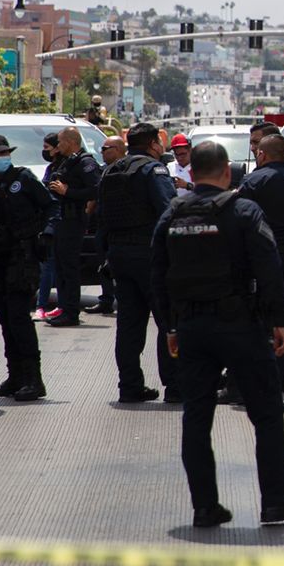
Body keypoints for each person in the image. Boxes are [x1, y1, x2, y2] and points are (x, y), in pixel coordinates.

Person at [150, 140, 284, 529]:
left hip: (192, 328)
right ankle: (275, 502)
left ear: (191, 174)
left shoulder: (173, 214)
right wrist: (280, 321)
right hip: (241, 325)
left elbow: (157, 275)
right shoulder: (243, 211)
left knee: (196, 417)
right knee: (267, 414)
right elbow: (269, 268)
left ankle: (205, 507)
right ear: (227, 172)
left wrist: (169, 326)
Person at [96, 122, 178, 402]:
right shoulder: (153, 170)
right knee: (168, 321)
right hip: (150, 255)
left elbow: (100, 218)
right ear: (154, 143)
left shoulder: (110, 171)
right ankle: (175, 387)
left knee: (129, 325)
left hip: (119, 255)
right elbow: (169, 211)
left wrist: (106, 254)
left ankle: (129, 386)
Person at [0, 135, 51, 402]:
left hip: (22, 258)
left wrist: (36, 235)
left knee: (19, 319)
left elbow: (50, 208)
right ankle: (15, 376)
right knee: (6, 319)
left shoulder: (24, 178)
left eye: (1, 154)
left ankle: (33, 379)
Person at [238, 133, 284, 392]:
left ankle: (254, 378)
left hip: (258, 259)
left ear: (262, 155)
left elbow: (241, 220)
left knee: (255, 317)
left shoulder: (252, 181)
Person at [45, 127, 100, 327]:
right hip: (62, 221)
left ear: (70, 141)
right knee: (60, 267)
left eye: (60, 142)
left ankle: (71, 312)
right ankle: (64, 308)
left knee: (69, 267)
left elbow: (95, 189)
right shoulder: (68, 161)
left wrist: (68, 192)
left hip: (73, 221)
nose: (58, 146)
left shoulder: (86, 162)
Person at [89, 134, 128, 316]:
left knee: (121, 264)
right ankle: (106, 299)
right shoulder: (104, 170)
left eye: (106, 149)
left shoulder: (129, 170)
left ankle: (125, 300)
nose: (102, 152)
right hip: (103, 224)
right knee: (103, 264)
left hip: (122, 227)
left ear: (119, 150)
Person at [35, 132, 61, 316]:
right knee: (49, 264)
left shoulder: (66, 168)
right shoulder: (51, 168)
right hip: (50, 221)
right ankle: (42, 305)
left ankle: (46, 305)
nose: (44, 151)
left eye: (46, 148)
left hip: (62, 222)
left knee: (53, 265)